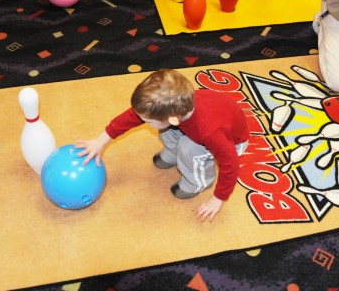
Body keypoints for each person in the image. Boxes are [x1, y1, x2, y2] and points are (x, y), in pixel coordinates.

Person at [76, 69, 249, 222]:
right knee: (167, 131)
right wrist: (100, 141)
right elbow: (130, 118)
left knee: (189, 149)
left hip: (233, 142)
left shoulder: (210, 132)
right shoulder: (173, 108)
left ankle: (198, 181)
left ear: (173, 118)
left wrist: (218, 198)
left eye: (147, 121)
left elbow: (230, 164)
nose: (143, 122)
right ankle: (174, 154)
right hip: (195, 126)